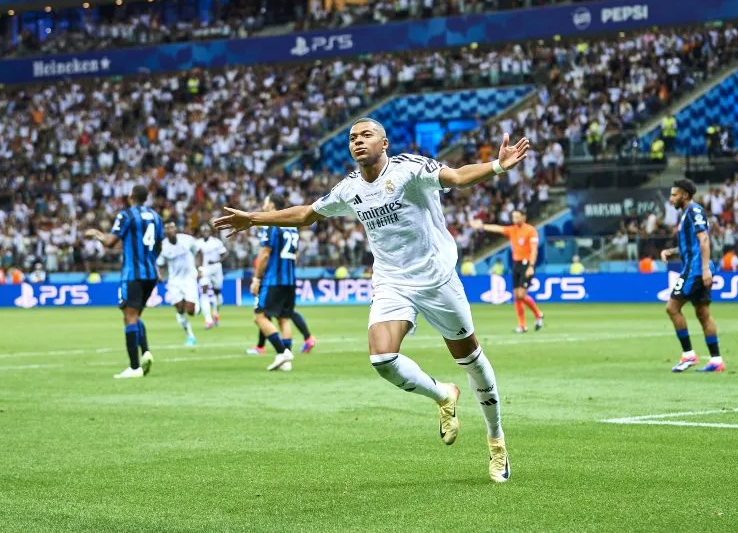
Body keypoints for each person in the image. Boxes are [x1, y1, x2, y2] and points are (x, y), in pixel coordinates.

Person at [215, 118, 529, 483]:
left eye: (366, 135)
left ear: (384, 143)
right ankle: (443, 394)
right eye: (352, 137)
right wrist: (254, 219)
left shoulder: (410, 169)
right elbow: (306, 214)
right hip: (393, 282)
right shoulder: (349, 188)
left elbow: (457, 177)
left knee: (471, 360)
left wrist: (496, 165)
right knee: (382, 357)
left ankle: (496, 439)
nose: (357, 141)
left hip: (437, 279)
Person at [85, 184, 163, 379]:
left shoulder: (127, 215)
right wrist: (152, 262)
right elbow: (159, 245)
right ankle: (145, 351)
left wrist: (96, 234)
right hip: (151, 273)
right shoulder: (156, 216)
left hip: (133, 273)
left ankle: (134, 367)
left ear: (131, 197)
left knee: (129, 316)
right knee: (135, 315)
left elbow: (111, 242)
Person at [659, 179, 724, 373]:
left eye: (674, 195)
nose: (671, 199)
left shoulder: (694, 211)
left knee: (672, 307)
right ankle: (716, 360)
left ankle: (688, 355)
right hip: (696, 267)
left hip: (694, 270)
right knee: (703, 313)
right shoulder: (687, 214)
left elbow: (703, 239)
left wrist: (704, 269)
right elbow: (692, 245)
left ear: (685, 195)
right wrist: (671, 251)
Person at [248, 193, 314, 371]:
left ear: (271, 206)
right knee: (284, 319)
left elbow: (265, 253)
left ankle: (282, 352)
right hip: (290, 279)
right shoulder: (291, 226)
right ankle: (286, 362)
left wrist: (256, 279)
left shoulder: (271, 223)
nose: (263, 205)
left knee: (259, 316)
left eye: (265, 202)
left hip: (273, 280)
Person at [470, 209, 544, 333]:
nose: (514, 218)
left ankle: (538, 314)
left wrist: (531, 266)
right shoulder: (512, 229)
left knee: (521, 295)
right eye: (513, 216)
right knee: (516, 296)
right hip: (516, 264)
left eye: (517, 216)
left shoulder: (530, 230)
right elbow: (498, 228)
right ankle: (522, 326)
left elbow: (534, 250)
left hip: (527, 264)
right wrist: (482, 226)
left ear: (523, 217)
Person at [157, 220, 204, 347]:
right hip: (174, 281)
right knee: (179, 308)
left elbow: (199, 252)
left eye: (172, 227)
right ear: (165, 231)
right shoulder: (163, 246)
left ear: (175, 228)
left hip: (189, 279)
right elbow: (160, 263)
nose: (170, 230)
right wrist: (159, 275)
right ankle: (190, 336)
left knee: (191, 311)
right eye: (167, 228)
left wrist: (200, 268)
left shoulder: (187, 240)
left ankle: (198, 307)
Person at [197, 224, 227, 328]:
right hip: (204, 269)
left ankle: (215, 313)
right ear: (201, 232)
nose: (205, 231)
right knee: (204, 291)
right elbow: (195, 257)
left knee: (217, 292)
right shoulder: (197, 243)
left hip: (216, 269)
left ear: (210, 231)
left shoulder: (216, 242)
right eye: (203, 230)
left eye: (207, 230)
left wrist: (216, 261)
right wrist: (198, 268)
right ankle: (208, 319)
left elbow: (225, 254)